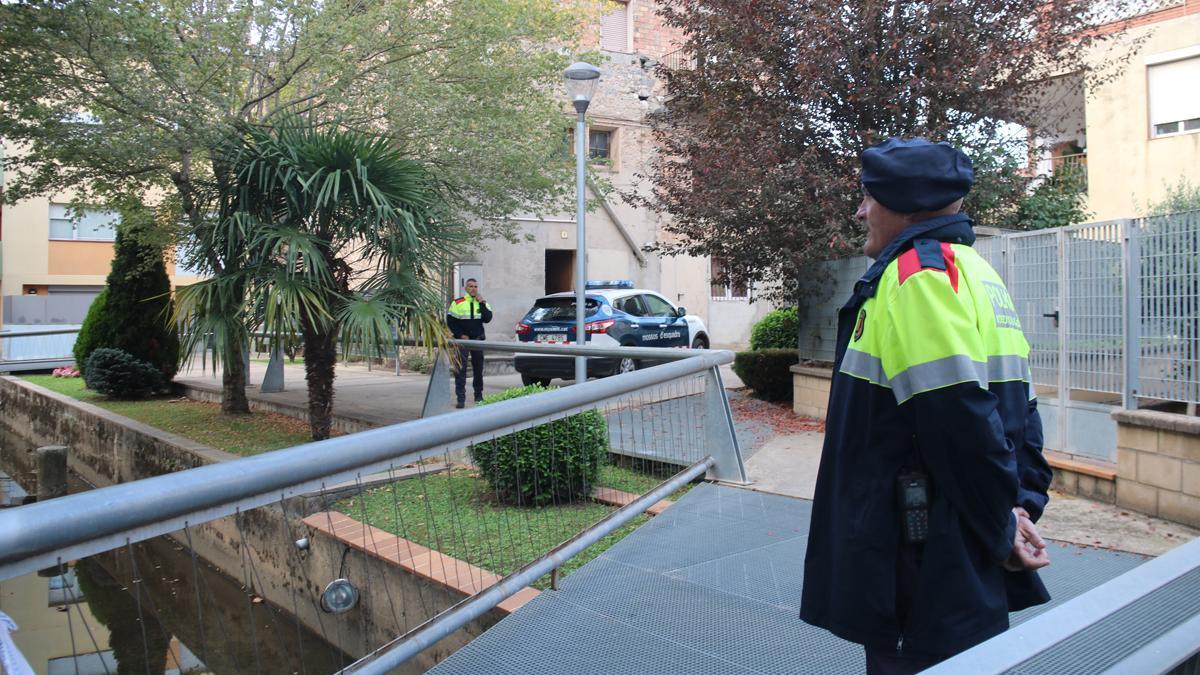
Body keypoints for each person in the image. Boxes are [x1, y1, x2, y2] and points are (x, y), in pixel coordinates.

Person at [799, 138, 1054, 674]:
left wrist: (1005, 527)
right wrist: (1018, 506)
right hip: (954, 542)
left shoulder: (918, 277)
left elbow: (959, 421)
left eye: (868, 197)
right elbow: (1020, 412)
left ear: (902, 202)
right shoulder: (975, 271)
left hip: (919, 553)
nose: (861, 210)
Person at [446, 278, 493, 408]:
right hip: (462, 341)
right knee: (460, 369)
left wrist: (482, 303)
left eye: (475, 286)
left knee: (478, 370)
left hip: (478, 341)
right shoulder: (458, 303)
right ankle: (460, 399)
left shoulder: (482, 302)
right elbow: (451, 321)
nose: (473, 288)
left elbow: (488, 318)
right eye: (471, 286)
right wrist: (460, 335)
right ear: (466, 288)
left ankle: (479, 396)